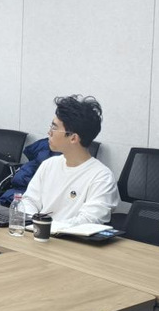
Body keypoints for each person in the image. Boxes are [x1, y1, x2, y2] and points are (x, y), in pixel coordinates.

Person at [17, 95, 119, 229]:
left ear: (73, 138)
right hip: (37, 233)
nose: (49, 132)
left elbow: (89, 221)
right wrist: (34, 222)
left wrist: (46, 226)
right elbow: (29, 201)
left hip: (69, 240)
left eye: (54, 128)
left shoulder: (102, 177)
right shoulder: (49, 164)